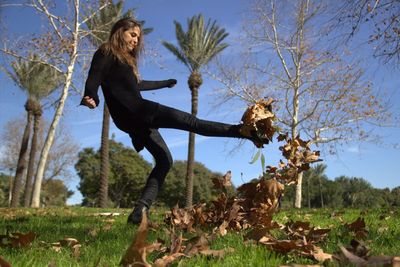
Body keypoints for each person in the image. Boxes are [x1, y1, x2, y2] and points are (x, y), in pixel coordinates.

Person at [81, 17, 268, 224]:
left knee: (164, 160)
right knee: (193, 123)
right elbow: (95, 75)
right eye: (132, 34)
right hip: (138, 111)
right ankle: (242, 131)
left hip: (130, 119)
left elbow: (137, 85)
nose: (136, 40)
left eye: (138, 37)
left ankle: (139, 211)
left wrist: (165, 83)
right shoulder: (107, 51)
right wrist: (91, 95)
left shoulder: (127, 60)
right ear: (119, 32)